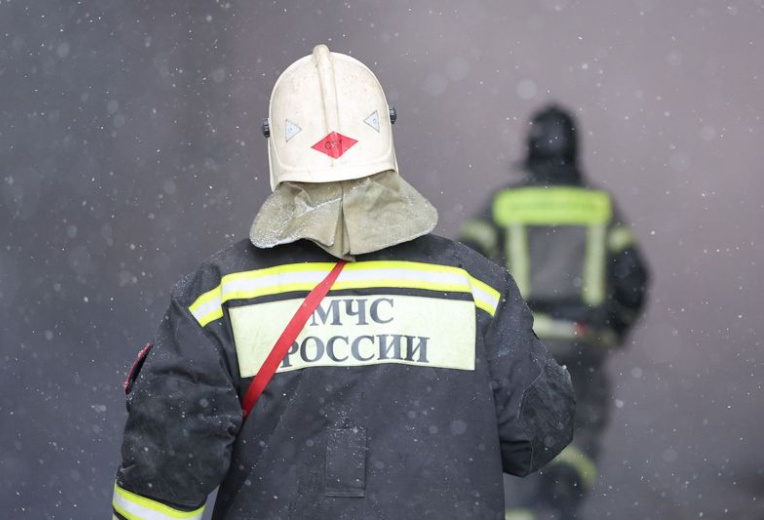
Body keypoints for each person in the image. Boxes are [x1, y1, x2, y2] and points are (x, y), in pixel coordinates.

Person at [112, 46, 575, 520]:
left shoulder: (218, 296)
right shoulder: (477, 290)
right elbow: (537, 435)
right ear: (386, 132)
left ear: (275, 144)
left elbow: (161, 479)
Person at [458, 105, 649, 520]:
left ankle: (522, 509)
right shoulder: (599, 207)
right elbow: (633, 278)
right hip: (582, 344)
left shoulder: (505, 205)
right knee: (579, 436)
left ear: (530, 147)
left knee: (515, 432)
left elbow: (463, 265)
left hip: (519, 346)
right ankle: (557, 503)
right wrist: (613, 327)